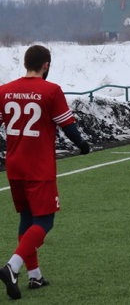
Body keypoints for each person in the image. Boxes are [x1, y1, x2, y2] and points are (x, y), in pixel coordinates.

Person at [0, 45, 90, 300]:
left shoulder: (4, 90)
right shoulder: (51, 90)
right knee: (45, 221)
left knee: (26, 218)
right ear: (46, 65)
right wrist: (82, 145)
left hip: (14, 165)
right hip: (38, 166)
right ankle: (12, 266)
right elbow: (68, 126)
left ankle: (35, 275)